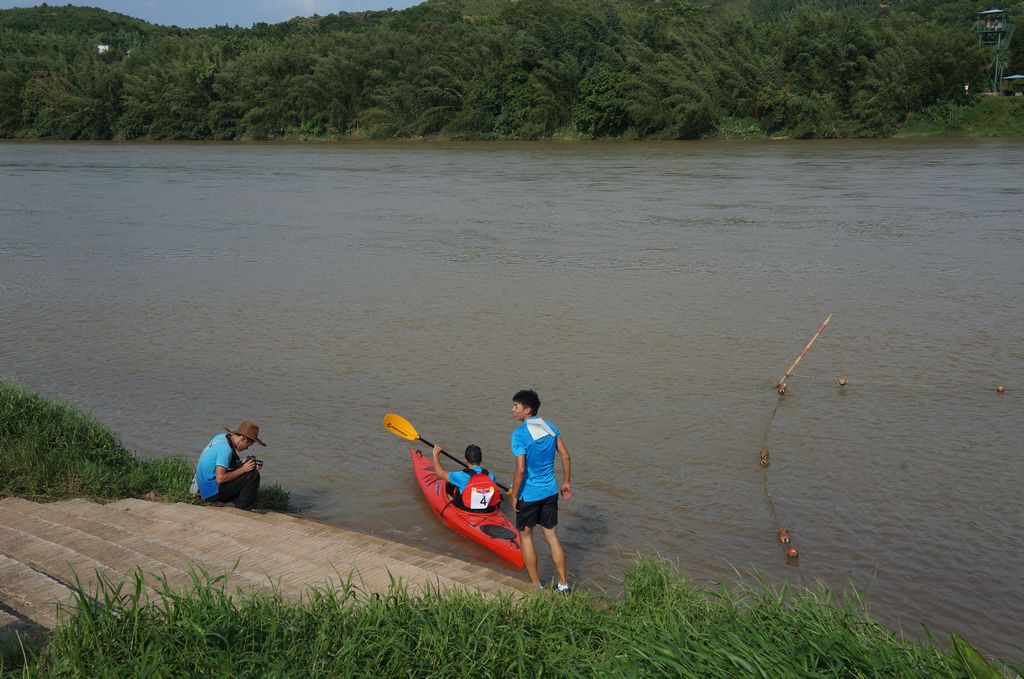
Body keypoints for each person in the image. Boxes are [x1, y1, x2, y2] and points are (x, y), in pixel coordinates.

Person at [510, 389, 572, 591]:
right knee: (552, 536)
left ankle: (536, 586)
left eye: (516, 406)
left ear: (527, 409)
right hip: (550, 492)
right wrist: (566, 482)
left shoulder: (519, 435)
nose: (513, 410)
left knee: (526, 537)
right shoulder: (549, 426)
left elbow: (521, 469)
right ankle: (563, 585)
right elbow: (565, 456)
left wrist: (515, 495)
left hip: (529, 494)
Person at [193, 421, 265, 510]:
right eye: (248, 444)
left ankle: (235, 500)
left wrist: (242, 464)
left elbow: (222, 462)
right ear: (243, 439)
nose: (247, 448)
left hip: (203, 488)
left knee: (248, 472)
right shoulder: (225, 449)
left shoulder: (221, 438)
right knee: (253, 476)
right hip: (210, 493)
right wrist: (243, 469)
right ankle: (243, 508)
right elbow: (220, 479)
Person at [432, 443, 501, 512]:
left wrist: (435, 454)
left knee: (445, 491)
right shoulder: (490, 476)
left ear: (466, 460)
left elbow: (439, 472)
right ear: (481, 460)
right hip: (488, 510)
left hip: (467, 510)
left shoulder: (461, 476)